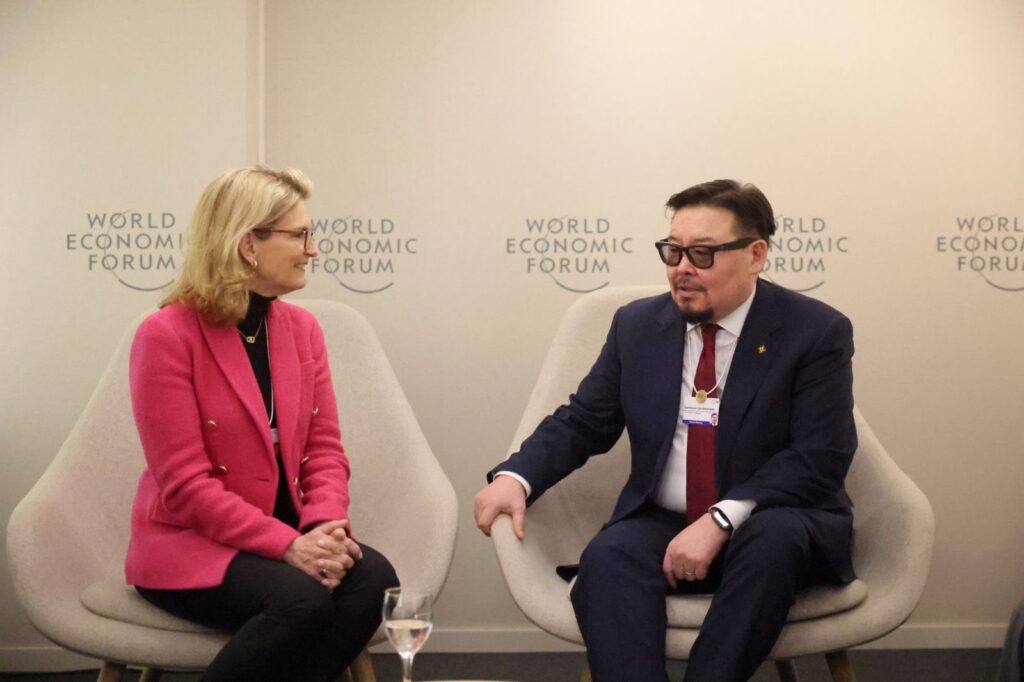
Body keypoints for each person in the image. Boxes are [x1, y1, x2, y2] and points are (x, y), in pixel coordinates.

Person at [474, 179, 857, 682]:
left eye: (702, 254)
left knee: (773, 539)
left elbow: (820, 455)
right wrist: (516, 477)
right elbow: (585, 420)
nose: (682, 269)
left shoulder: (815, 331)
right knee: (608, 557)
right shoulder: (637, 326)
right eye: (673, 251)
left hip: (772, 520)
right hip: (664, 520)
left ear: (756, 255)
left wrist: (720, 519)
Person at [125, 166, 399, 682]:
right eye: (300, 235)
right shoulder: (165, 335)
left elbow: (324, 449)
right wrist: (288, 546)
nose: (313, 250)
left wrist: (323, 526)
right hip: (193, 544)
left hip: (288, 533)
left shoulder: (303, 329)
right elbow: (185, 486)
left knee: (374, 580)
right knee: (302, 601)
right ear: (249, 244)